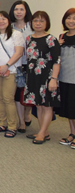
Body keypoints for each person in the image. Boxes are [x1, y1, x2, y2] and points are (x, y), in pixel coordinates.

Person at [24, 11, 61, 144]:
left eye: (41, 21)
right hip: (33, 77)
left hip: (47, 77)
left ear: (47, 23)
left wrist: (54, 79)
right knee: (38, 105)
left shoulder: (51, 39)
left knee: (47, 106)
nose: (38, 23)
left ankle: (42, 133)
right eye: (35, 21)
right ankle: (44, 132)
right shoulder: (29, 38)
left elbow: (57, 61)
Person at [0, 11, 25, 138]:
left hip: (11, 71)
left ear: (8, 21)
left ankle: (12, 126)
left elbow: (19, 53)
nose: (1, 21)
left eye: (3, 19)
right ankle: (2, 123)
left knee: (8, 99)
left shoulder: (16, 34)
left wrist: (7, 66)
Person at [9, 0, 34, 132]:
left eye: (21, 9)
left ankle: (27, 113)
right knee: (18, 93)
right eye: (16, 9)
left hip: (31, 64)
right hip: (16, 64)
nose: (18, 12)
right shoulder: (9, 27)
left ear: (26, 11)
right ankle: (21, 121)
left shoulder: (32, 26)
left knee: (28, 91)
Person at [58, 8, 75, 148]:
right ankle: (72, 133)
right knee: (69, 108)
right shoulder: (62, 37)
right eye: (68, 18)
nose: (71, 21)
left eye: (74, 18)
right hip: (64, 77)